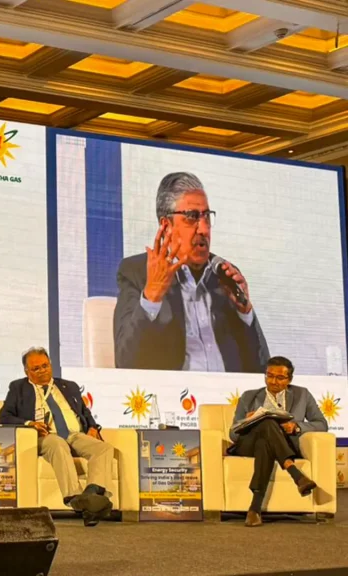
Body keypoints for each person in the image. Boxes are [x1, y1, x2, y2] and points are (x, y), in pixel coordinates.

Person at [113, 172, 268, 372]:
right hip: (176, 391)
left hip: (228, 392)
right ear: (166, 226)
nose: (203, 229)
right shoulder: (136, 272)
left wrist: (245, 313)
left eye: (206, 217)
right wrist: (152, 295)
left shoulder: (224, 276)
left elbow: (263, 368)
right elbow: (125, 363)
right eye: (192, 217)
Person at [0, 347, 114, 526]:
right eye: (36, 368)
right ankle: (74, 496)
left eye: (45, 366)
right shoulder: (18, 388)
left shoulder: (69, 386)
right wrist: (30, 424)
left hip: (74, 435)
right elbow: (4, 417)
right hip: (45, 437)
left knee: (103, 448)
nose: (42, 371)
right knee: (57, 443)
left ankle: (92, 495)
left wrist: (92, 427)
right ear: (27, 371)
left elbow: (84, 412)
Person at [229, 356, 325, 527]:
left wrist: (296, 427)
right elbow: (233, 434)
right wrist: (248, 421)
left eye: (280, 377)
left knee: (264, 443)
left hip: (281, 444)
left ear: (289, 379)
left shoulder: (302, 394)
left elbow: (321, 424)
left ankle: (254, 509)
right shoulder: (249, 396)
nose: (273, 381)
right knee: (266, 422)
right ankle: (294, 472)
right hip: (248, 444)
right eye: (270, 376)